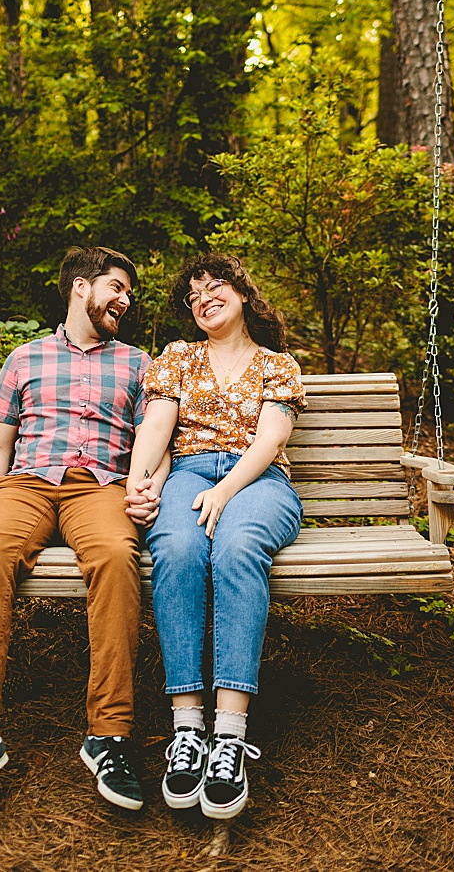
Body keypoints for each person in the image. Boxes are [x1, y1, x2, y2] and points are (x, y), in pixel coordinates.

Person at [0, 246, 161, 810]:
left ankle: (109, 734)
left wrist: (149, 485)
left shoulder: (138, 364)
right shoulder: (25, 358)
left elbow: (155, 441)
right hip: (27, 484)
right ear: (81, 287)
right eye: (116, 287)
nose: (125, 300)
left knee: (114, 557)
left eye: (129, 292)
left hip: (100, 486)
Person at [125, 253, 305, 820]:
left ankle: (229, 736)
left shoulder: (278, 365)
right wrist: (138, 483)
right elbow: (157, 425)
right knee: (176, 547)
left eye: (216, 285)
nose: (204, 296)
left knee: (236, 548)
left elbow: (270, 440)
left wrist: (226, 492)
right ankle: (188, 729)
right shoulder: (177, 359)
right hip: (188, 472)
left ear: (243, 294)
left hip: (258, 480)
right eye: (193, 293)